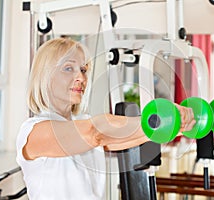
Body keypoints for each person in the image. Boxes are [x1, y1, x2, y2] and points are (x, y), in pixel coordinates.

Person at [16, 37, 195, 200]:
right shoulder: (32, 131)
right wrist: (157, 120)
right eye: (68, 68)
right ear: (46, 75)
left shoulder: (82, 121)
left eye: (83, 69)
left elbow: (119, 137)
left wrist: (175, 125)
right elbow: (95, 132)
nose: (81, 77)